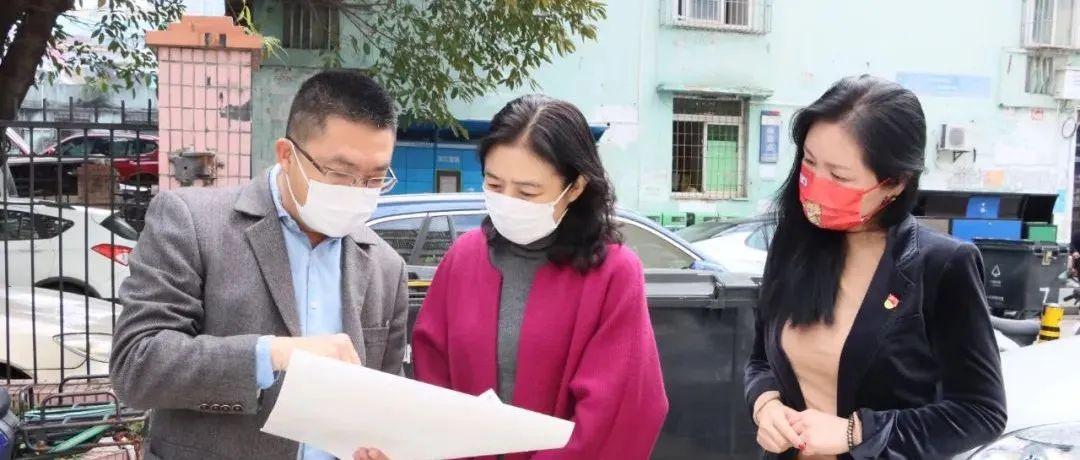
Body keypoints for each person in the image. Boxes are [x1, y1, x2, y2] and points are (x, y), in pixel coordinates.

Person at [110, 70, 407, 460]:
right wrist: (272, 355)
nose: (357, 191)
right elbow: (137, 365)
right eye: (340, 173)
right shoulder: (193, 223)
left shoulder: (385, 265)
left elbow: (384, 398)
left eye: (374, 179)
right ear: (287, 155)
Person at [744, 75, 1007, 459]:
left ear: (895, 183)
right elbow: (760, 359)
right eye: (810, 162)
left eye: (839, 175)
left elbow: (980, 413)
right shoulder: (794, 242)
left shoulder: (942, 266)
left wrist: (857, 433)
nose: (816, 184)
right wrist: (766, 405)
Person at [405, 95, 669, 459]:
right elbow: (432, 377)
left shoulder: (613, 273)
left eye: (527, 192)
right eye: (494, 185)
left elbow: (618, 411)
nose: (508, 200)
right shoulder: (464, 258)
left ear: (575, 187)